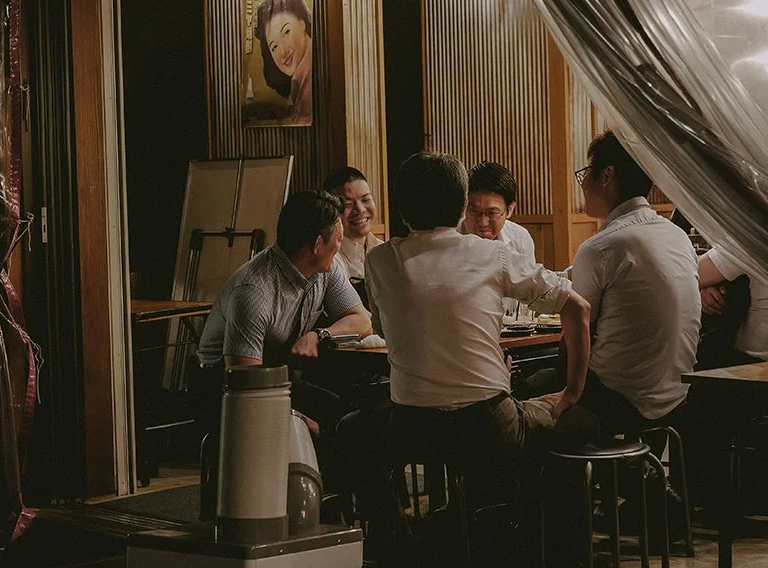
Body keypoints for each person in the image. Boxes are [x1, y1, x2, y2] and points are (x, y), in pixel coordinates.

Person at [366, 152, 592, 516]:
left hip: (412, 425)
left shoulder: (379, 260)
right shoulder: (494, 255)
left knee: (352, 430)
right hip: (486, 425)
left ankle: (397, 538)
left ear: (402, 210)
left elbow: (382, 330)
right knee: (578, 422)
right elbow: (578, 308)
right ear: (461, 208)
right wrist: (571, 393)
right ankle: (536, 539)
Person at [571, 131, 701, 440]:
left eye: (586, 171)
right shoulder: (677, 237)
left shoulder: (600, 248)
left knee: (526, 388)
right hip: (677, 396)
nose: (583, 182)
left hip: (618, 400)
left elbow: (577, 330)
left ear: (607, 174)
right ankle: (640, 476)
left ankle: (585, 483)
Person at [195, 189, 371, 373]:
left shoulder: (326, 268)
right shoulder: (253, 291)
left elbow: (363, 321)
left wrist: (318, 335)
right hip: (223, 384)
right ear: (318, 245)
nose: (340, 246)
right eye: (339, 240)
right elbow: (245, 381)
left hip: (278, 374)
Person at [256, 0, 313, 125]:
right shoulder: (298, 85)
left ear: (302, 22)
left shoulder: (312, 77)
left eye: (286, 32)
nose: (282, 52)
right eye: (274, 47)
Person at [457, 161, 536, 259]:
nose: (483, 222)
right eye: (474, 211)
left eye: (492, 213)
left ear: (510, 210)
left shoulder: (520, 239)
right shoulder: (450, 238)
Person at [322, 166, 382, 280]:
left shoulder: (384, 250)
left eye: (366, 200)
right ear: (331, 211)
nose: (360, 209)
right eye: (348, 204)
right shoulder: (329, 261)